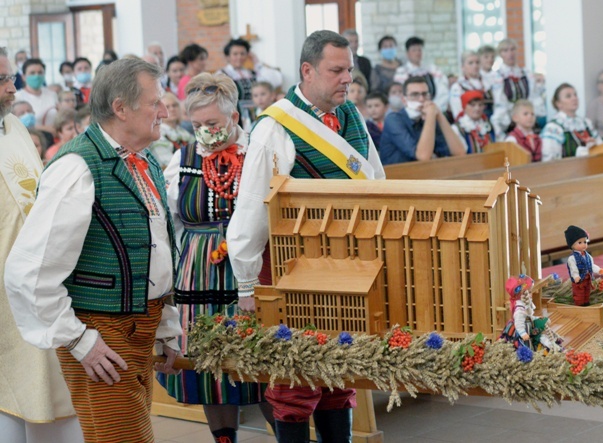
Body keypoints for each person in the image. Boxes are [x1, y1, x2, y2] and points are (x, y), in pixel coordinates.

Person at [4, 57, 182, 443]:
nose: (165, 112)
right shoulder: (76, 168)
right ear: (121, 107)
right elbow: (28, 272)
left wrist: (165, 326)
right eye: (155, 103)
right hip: (102, 330)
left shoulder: (146, 161)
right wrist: (80, 340)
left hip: (140, 325)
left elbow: (155, 249)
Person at [227, 30, 385, 443]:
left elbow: (377, 182)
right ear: (307, 71)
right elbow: (250, 208)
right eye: (336, 70)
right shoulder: (274, 127)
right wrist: (246, 284)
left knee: (339, 371)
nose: (346, 79)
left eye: (349, 69)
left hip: (349, 265)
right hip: (292, 268)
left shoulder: (352, 116)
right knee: (295, 378)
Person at [158, 72, 272, 443]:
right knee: (209, 365)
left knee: (260, 359)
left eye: (212, 123)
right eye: (197, 125)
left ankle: (288, 433)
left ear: (235, 117)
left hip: (250, 269)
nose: (205, 131)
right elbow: (170, 219)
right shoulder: (184, 159)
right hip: (198, 273)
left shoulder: (256, 152)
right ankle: (224, 438)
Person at [0, 46, 83, 443]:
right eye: (2, 80)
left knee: (44, 382)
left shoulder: (14, 127)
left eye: (11, 77)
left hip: (34, 277)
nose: (12, 88)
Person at [380, 76, 465, 165]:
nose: (421, 99)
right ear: (404, 100)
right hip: (397, 176)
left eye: (425, 94)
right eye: (415, 95)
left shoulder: (428, 117)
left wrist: (439, 115)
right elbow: (423, 157)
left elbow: (459, 152)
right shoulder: (393, 119)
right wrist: (431, 116)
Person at [218, 38, 283, 131]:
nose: (239, 57)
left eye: (242, 53)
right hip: (234, 116)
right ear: (228, 56)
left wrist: (257, 62)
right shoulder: (222, 74)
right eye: (235, 54)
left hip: (255, 113)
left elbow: (277, 80)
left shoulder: (252, 72)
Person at [491, 39, 542, 139]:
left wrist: (528, 115)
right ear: (500, 54)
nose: (510, 54)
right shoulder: (497, 76)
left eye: (512, 49)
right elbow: (500, 102)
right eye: (505, 50)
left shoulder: (526, 73)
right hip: (508, 120)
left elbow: (533, 96)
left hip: (527, 117)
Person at [540, 83, 601, 161]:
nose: (574, 98)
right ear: (558, 103)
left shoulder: (586, 123)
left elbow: (601, 146)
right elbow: (549, 160)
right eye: (568, 96)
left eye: (575, 95)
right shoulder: (553, 128)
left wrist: (595, 145)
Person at [500, 274, 562, 351]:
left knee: (544, 324)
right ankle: (548, 346)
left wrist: (536, 318)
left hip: (529, 324)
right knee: (539, 336)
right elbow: (519, 323)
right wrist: (523, 334)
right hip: (525, 329)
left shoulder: (525, 305)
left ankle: (552, 344)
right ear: (521, 294)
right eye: (529, 292)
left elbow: (528, 316)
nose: (531, 294)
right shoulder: (519, 310)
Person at [393, 36, 449, 112]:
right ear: (407, 53)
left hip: (434, 109)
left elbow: (443, 91)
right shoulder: (401, 72)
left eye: (419, 50)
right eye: (414, 50)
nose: (417, 53)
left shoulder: (433, 69)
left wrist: (433, 108)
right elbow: (401, 94)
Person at [148, 92, 194, 169]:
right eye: (167, 107)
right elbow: (167, 163)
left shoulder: (184, 132)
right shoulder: (157, 134)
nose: (172, 109)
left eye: (174, 105)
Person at [564, 225, 603, 306]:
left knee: (587, 292)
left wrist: (598, 270)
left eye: (585, 242)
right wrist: (576, 276)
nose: (583, 244)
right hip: (579, 280)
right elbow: (573, 269)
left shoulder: (588, 256)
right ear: (572, 245)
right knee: (579, 294)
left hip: (588, 279)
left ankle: (586, 303)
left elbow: (591, 265)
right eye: (580, 242)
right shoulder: (572, 258)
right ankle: (580, 305)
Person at [14, 58, 58, 128]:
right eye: (32, 73)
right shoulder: (17, 97)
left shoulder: (52, 94)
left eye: (40, 72)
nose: (36, 76)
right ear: (23, 77)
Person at [449, 51, 492, 120]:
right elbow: (458, 112)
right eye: (470, 63)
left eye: (477, 62)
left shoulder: (488, 83)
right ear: (463, 67)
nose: (475, 66)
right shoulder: (457, 87)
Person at [451, 90, 494, 154]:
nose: (477, 108)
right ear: (464, 107)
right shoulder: (457, 128)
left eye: (480, 105)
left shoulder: (488, 125)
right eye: (473, 105)